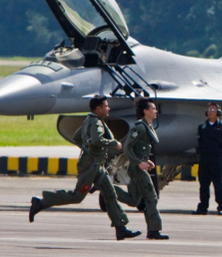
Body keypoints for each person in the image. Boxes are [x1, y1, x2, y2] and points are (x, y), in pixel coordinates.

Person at [28, 95, 141, 241]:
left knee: (110, 193)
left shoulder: (89, 120)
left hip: (96, 165)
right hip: (90, 167)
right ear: (98, 108)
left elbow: (77, 138)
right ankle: (41, 202)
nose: (108, 108)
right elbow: (97, 139)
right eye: (106, 106)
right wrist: (114, 144)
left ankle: (121, 228)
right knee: (77, 196)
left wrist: (88, 149)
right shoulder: (96, 123)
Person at [114, 97, 169, 240]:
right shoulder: (139, 128)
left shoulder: (147, 127)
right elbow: (127, 147)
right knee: (151, 196)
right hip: (137, 169)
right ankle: (154, 230)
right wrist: (139, 163)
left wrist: (146, 161)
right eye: (153, 109)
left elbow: (140, 149)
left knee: (134, 200)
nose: (155, 111)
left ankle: (108, 189)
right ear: (145, 111)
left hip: (139, 167)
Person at [193, 102, 222, 215]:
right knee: (203, 183)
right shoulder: (202, 127)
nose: (210, 111)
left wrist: (221, 153)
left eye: (213, 109)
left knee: (218, 183)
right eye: (209, 109)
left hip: (217, 158)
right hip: (205, 157)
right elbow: (200, 141)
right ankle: (203, 207)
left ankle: (221, 207)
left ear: (218, 112)